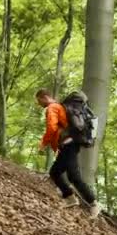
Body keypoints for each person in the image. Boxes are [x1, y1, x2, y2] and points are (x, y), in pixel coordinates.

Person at [35, 88, 100, 218]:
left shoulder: (52, 108)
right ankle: (70, 198)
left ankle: (94, 203)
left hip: (68, 144)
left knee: (73, 176)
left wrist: (43, 143)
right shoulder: (61, 106)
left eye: (38, 100)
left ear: (44, 97)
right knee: (56, 172)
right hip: (70, 143)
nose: (39, 104)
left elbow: (52, 127)